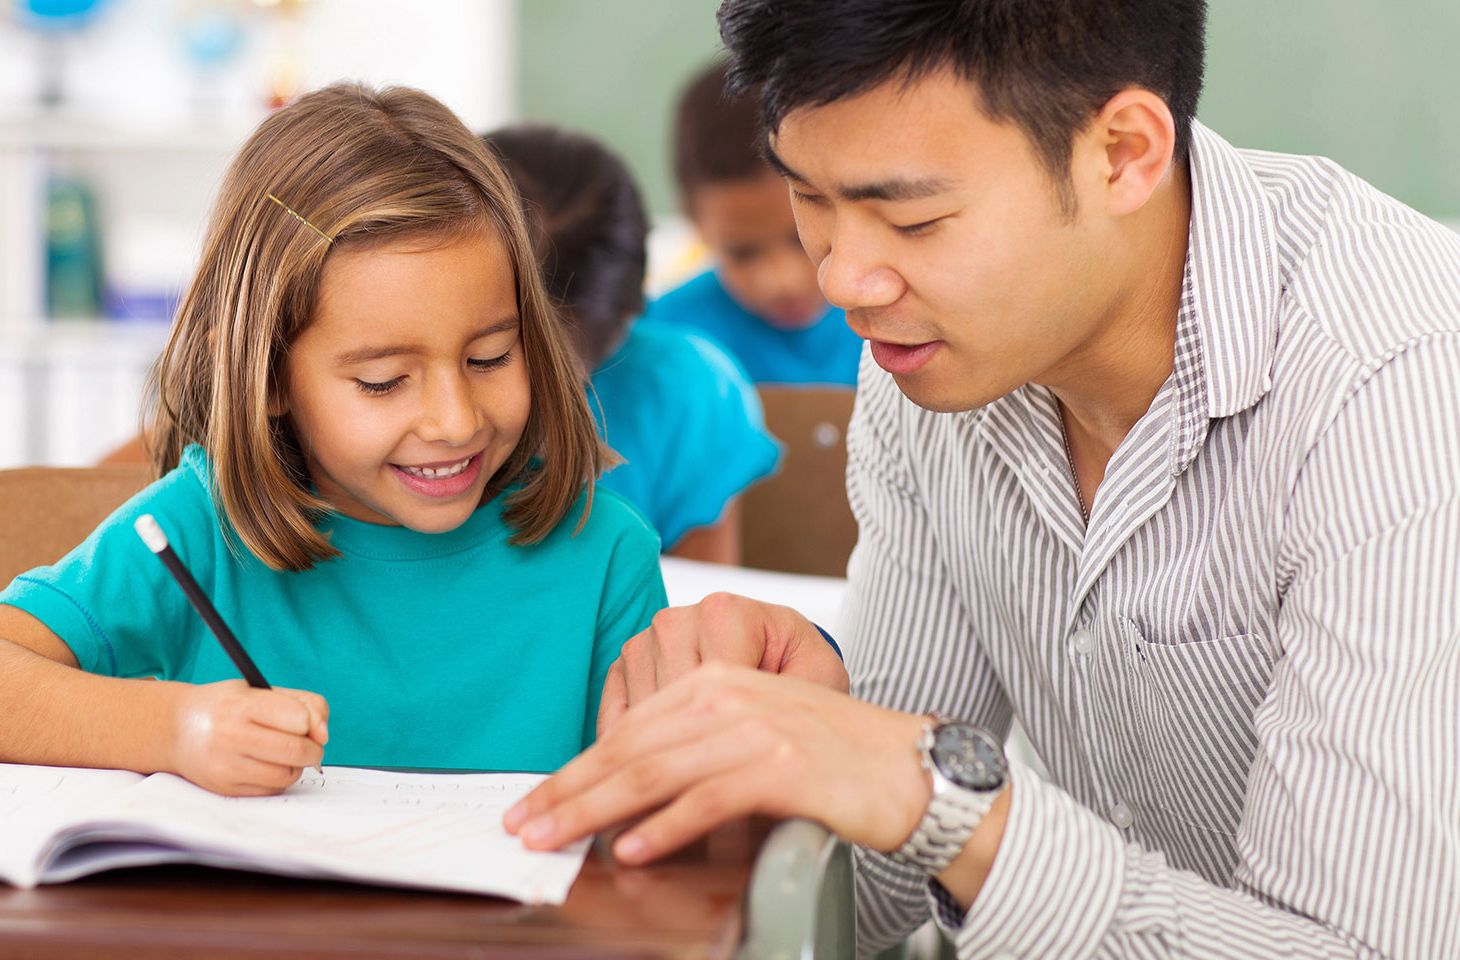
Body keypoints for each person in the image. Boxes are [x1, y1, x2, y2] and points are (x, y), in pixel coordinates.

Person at [506, 1, 1459, 957]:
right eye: (811, 199)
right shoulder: (931, 368)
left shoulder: (1398, 384)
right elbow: (870, 890)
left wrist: (938, 798)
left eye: (913, 220)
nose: (844, 282)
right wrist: (793, 726)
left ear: (1124, 153)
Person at [0, 82, 668, 796]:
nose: (456, 420)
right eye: (382, 381)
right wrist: (175, 728)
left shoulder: (605, 557)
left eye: (490, 358)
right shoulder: (199, 530)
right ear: (268, 376)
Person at [484, 124, 781, 563]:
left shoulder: (686, 390)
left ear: (625, 320)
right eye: (482, 357)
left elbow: (698, 601)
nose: (455, 421)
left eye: (547, 372)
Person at [641, 58, 863, 386]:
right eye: (742, 252)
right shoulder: (658, 343)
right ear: (693, 218)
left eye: (801, 238)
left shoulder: (903, 312)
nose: (782, 281)